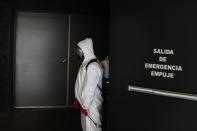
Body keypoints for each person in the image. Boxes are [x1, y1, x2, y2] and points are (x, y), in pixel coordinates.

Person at [74, 38, 103, 131]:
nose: (78, 54)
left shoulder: (93, 66)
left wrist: (85, 106)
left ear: (86, 50)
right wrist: (76, 97)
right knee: (86, 127)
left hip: (91, 105)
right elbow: (80, 84)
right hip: (85, 104)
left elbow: (89, 89)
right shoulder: (86, 64)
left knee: (92, 128)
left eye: (79, 51)